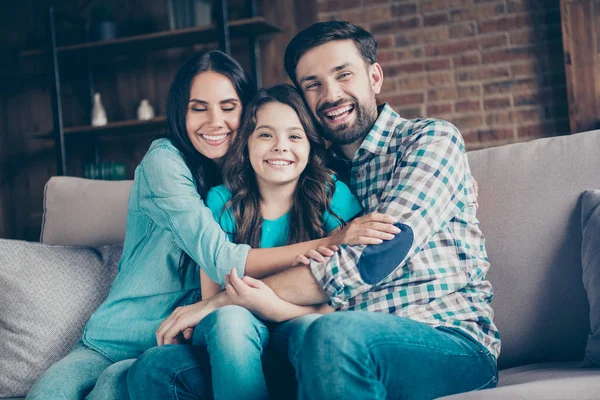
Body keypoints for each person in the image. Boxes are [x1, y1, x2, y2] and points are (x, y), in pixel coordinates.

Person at [129, 21, 500, 400]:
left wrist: (223, 299)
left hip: (440, 336)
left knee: (331, 336)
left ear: (374, 77)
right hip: (322, 336)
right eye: (313, 84)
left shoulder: (428, 140)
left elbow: (375, 256)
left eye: (344, 75)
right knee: (158, 369)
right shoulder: (321, 174)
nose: (331, 94)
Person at [26, 50, 397, 400]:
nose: (215, 122)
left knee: (117, 383)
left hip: (182, 338)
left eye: (228, 107)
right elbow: (223, 259)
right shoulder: (168, 164)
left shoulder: (260, 178)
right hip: (119, 335)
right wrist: (334, 240)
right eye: (198, 108)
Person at [180, 83, 362, 400]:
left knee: (317, 332)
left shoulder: (333, 195)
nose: (280, 146)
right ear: (246, 143)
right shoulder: (222, 201)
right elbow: (213, 301)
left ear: (310, 146)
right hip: (229, 329)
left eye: (294, 136)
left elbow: (345, 303)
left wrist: (277, 308)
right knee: (231, 318)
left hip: (298, 320)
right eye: (265, 134)